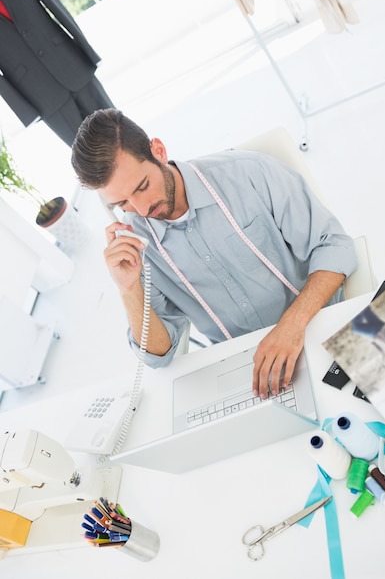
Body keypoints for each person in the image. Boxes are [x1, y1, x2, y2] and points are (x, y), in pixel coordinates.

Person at [71, 108, 357, 399]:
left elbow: (334, 245)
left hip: (325, 326)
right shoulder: (137, 242)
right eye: (123, 203)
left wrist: (291, 326)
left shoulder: (247, 172)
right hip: (253, 373)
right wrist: (128, 288)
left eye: (143, 186)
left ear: (158, 151)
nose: (142, 210)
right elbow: (160, 354)